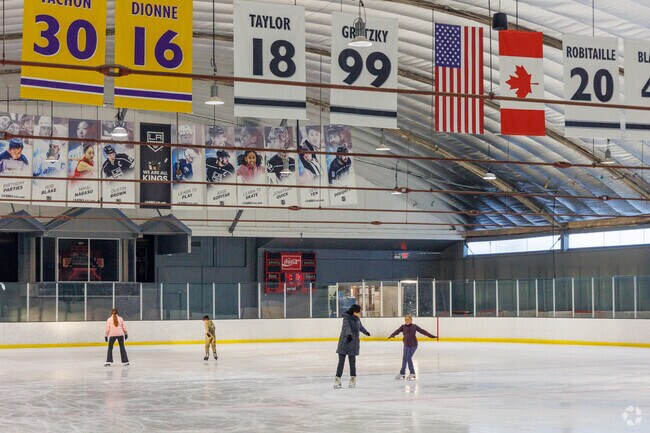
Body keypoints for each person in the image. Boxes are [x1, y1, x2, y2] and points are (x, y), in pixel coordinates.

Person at [388, 314, 437, 380]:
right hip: (406, 345)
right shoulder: (403, 327)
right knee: (404, 359)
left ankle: (412, 373)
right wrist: (392, 335)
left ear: (411, 320)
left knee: (408, 358)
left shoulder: (414, 326)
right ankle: (402, 373)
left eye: (408, 319)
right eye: (405, 320)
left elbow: (423, 331)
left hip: (413, 345)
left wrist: (431, 336)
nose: (406, 321)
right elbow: (397, 331)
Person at [334, 304, 370, 389]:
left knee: (352, 362)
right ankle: (337, 379)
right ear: (354, 312)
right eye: (359, 312)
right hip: (345, 342)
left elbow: (360, 327)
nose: (360, 313)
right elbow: (346, 327)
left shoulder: (357, 319)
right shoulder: (346, 319)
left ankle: (353, 378)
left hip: (353, 344)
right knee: (341, 362)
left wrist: (366, 332)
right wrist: (349, 335)